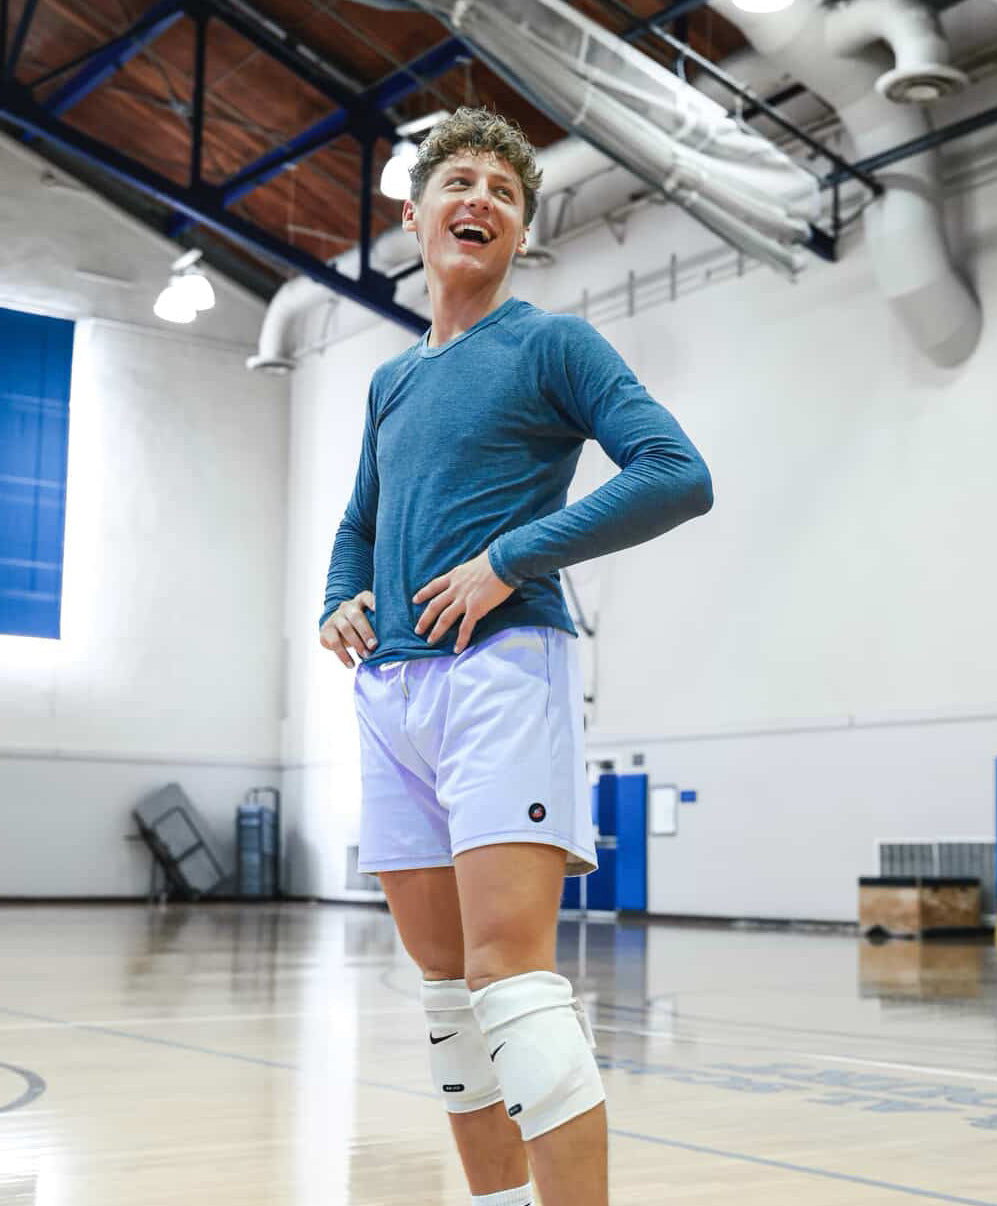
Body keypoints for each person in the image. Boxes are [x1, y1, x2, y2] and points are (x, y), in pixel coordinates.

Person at [319, 107, 713, 1206]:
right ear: (416, 217)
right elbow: (359, 519)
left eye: (504, 188)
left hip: (502, 672)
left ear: (522, 229)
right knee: (446, 990)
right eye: (460, 182)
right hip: (388, 688)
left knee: (511, 977)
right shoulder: (390, 383)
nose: (480, 197)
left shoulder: (551, 344)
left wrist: (508, 558)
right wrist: (334, 599)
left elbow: (676, 472)